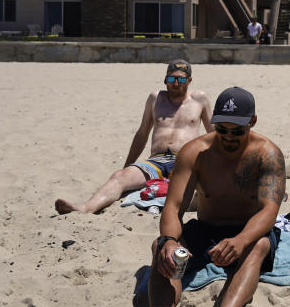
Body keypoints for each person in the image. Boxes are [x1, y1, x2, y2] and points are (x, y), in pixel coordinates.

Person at [121, 87, 285, 307]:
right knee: (161, 248)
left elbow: (269, 210)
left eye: (237, 131)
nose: (229, 137)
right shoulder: (195, 152)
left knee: (260, 245)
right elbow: (174, 206)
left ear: (252, 122)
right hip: (206, 228)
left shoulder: (267, 154)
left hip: (248, 230)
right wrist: (170, 241)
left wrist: (241, 240)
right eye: (222, 129)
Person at [55, 60, 212, 214]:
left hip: (184, 160)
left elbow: (213, 134)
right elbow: (142, 134)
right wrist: (128, 166)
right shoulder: (155, 98)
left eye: (181, 79)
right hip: (156, 161)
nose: (176, 83)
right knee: (119, 177)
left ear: (189, 80)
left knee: (202, 189)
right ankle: (86, 208)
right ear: (165, 79)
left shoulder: (199, 99)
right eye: (171, 79)